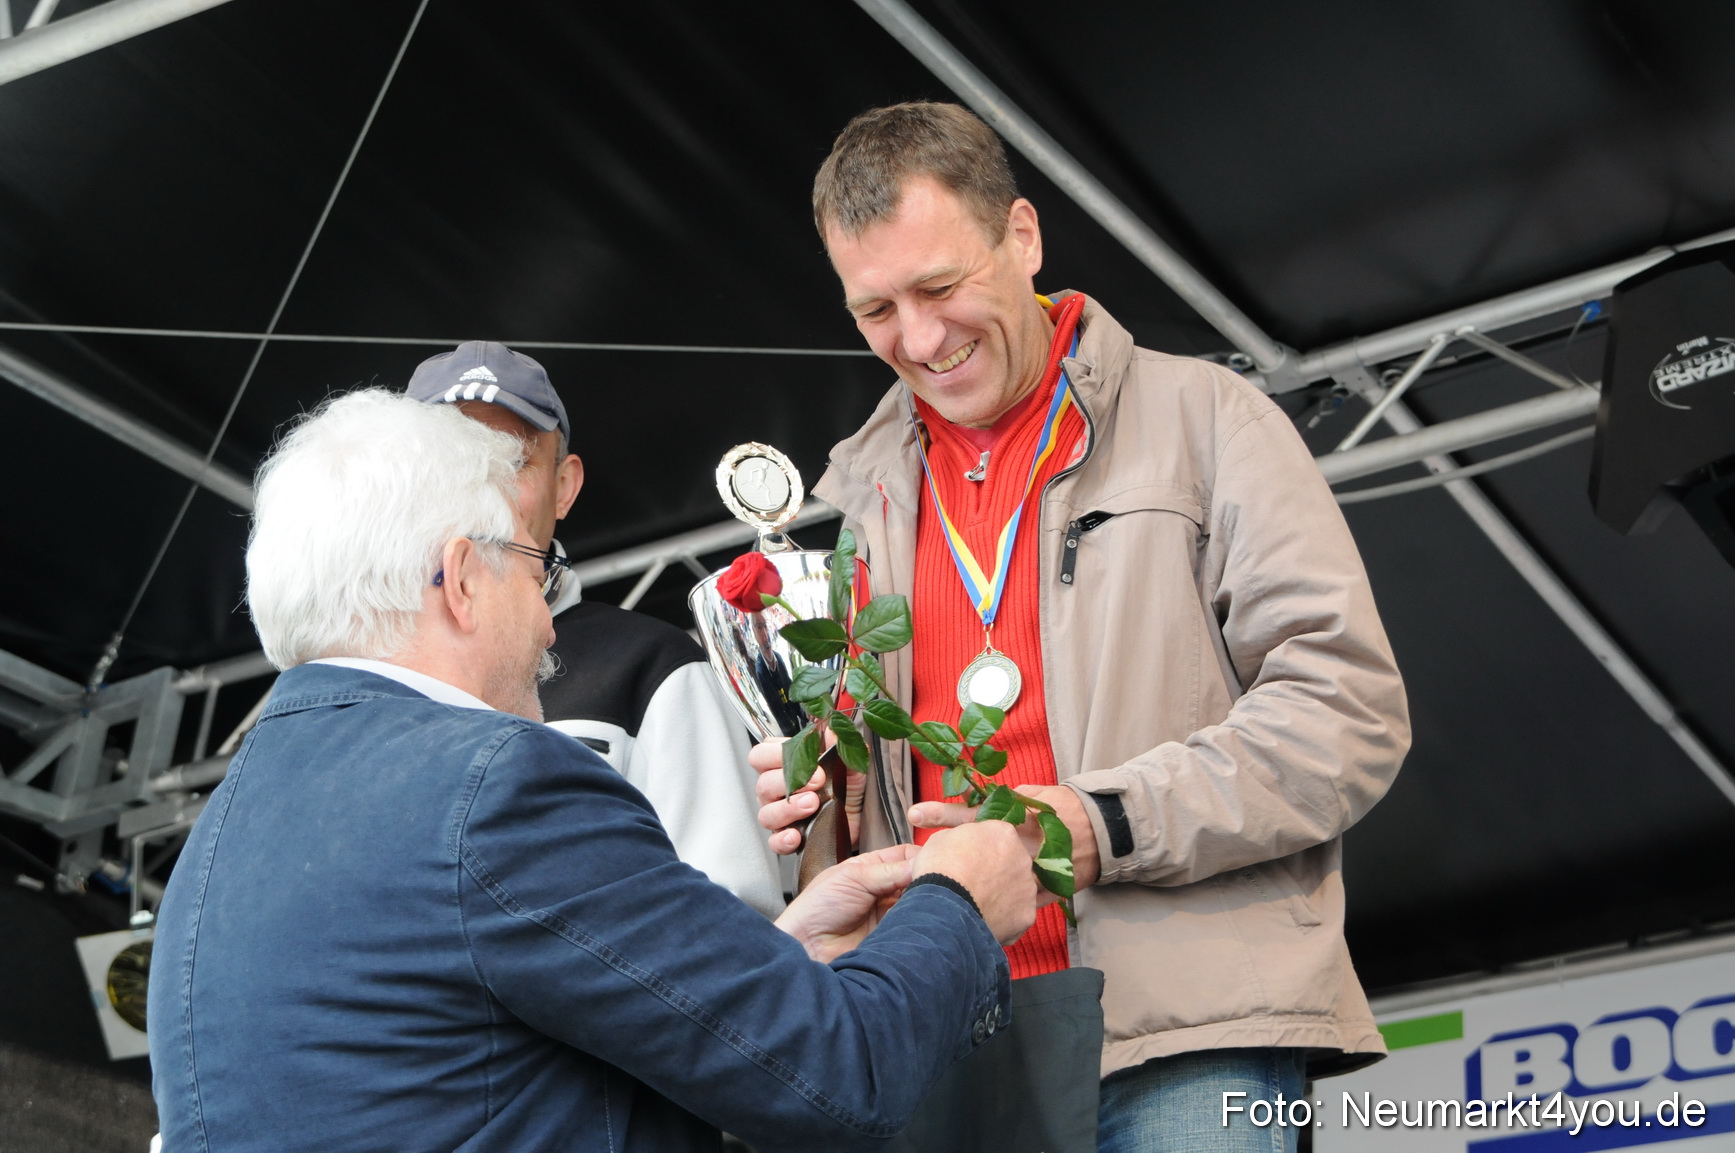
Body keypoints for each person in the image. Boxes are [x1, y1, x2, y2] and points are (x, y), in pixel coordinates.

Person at [753, 102, 1411, 1152]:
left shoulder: (1207, 419)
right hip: (939, 1044)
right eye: (874, 308)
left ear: (1022, 235)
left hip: (1184, 1034)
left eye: (939, 286)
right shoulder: (860, 504)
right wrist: (817, 797)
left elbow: (1345, 717)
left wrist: (1092, 825)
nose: (917, 340)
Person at [146, 389, 1038, 1153]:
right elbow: (842, 1075)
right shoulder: (495, 784)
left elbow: (470, 1056)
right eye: (537, 572)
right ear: (460, 579)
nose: (547, 625)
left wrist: (774, 960)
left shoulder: (210, 848)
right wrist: (958, 905)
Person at [407, 341, 785, 916]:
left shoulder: (652, 667)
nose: (480, 489)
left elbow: (734, 916)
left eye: (511, 462)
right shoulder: (363, 664)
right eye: (451, 461)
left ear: (564, 487)